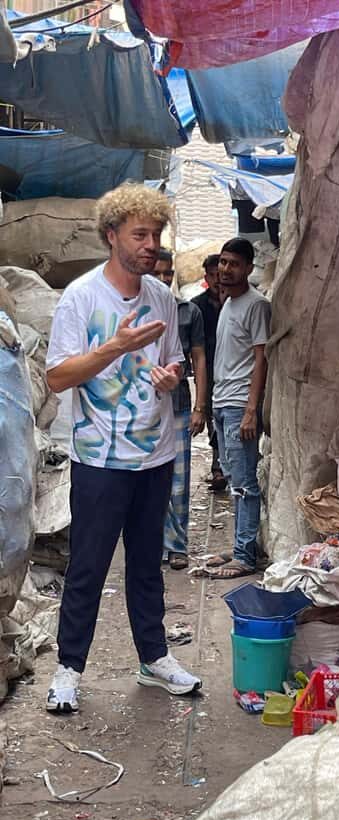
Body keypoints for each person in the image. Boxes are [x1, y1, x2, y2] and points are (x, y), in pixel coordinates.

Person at [44, 184, 202, 713]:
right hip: (99, 459)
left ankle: (154, 659)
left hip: (154, 456)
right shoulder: (82, 298)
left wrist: (168, 376)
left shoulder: (161, 297)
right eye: (140, 234)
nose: (151, 244)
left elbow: (173, 361)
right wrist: (115, 345)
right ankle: (68, 669)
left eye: (156, 234)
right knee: (88, 565)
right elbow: (58, 377)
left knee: (146, 566)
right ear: (111, 236)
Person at [207, 238, 270, 577]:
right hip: (222, 402)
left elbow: (261, 360)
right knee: (234, 480)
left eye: (233, 264)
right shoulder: (229, 304)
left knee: (245, 483)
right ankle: (241, 546)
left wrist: (251, 409)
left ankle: (245, 557)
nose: (226, 269)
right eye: (223, 262)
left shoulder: (256, 305)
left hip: (238, 405)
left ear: (248, 268)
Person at [152, 248, 208, 570]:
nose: (163, 279)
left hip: (178, 404)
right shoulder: (137, 311)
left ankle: (177, 545)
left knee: (179, 478)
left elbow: (198, 358)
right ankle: (154, 542)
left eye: (168, 273)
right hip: (145, 408)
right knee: (151, 477)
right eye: (157, 273)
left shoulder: (188, 312)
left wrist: (201, 405)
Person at [192, 254, 228, 490]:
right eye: (212, 275)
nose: (218, 280)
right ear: (206, 277)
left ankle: (224, 467)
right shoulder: (197, 306)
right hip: (209, 372)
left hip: (234, 373)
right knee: (214, 421)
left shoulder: (239, 302)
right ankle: (219, 468)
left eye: (220, 275)